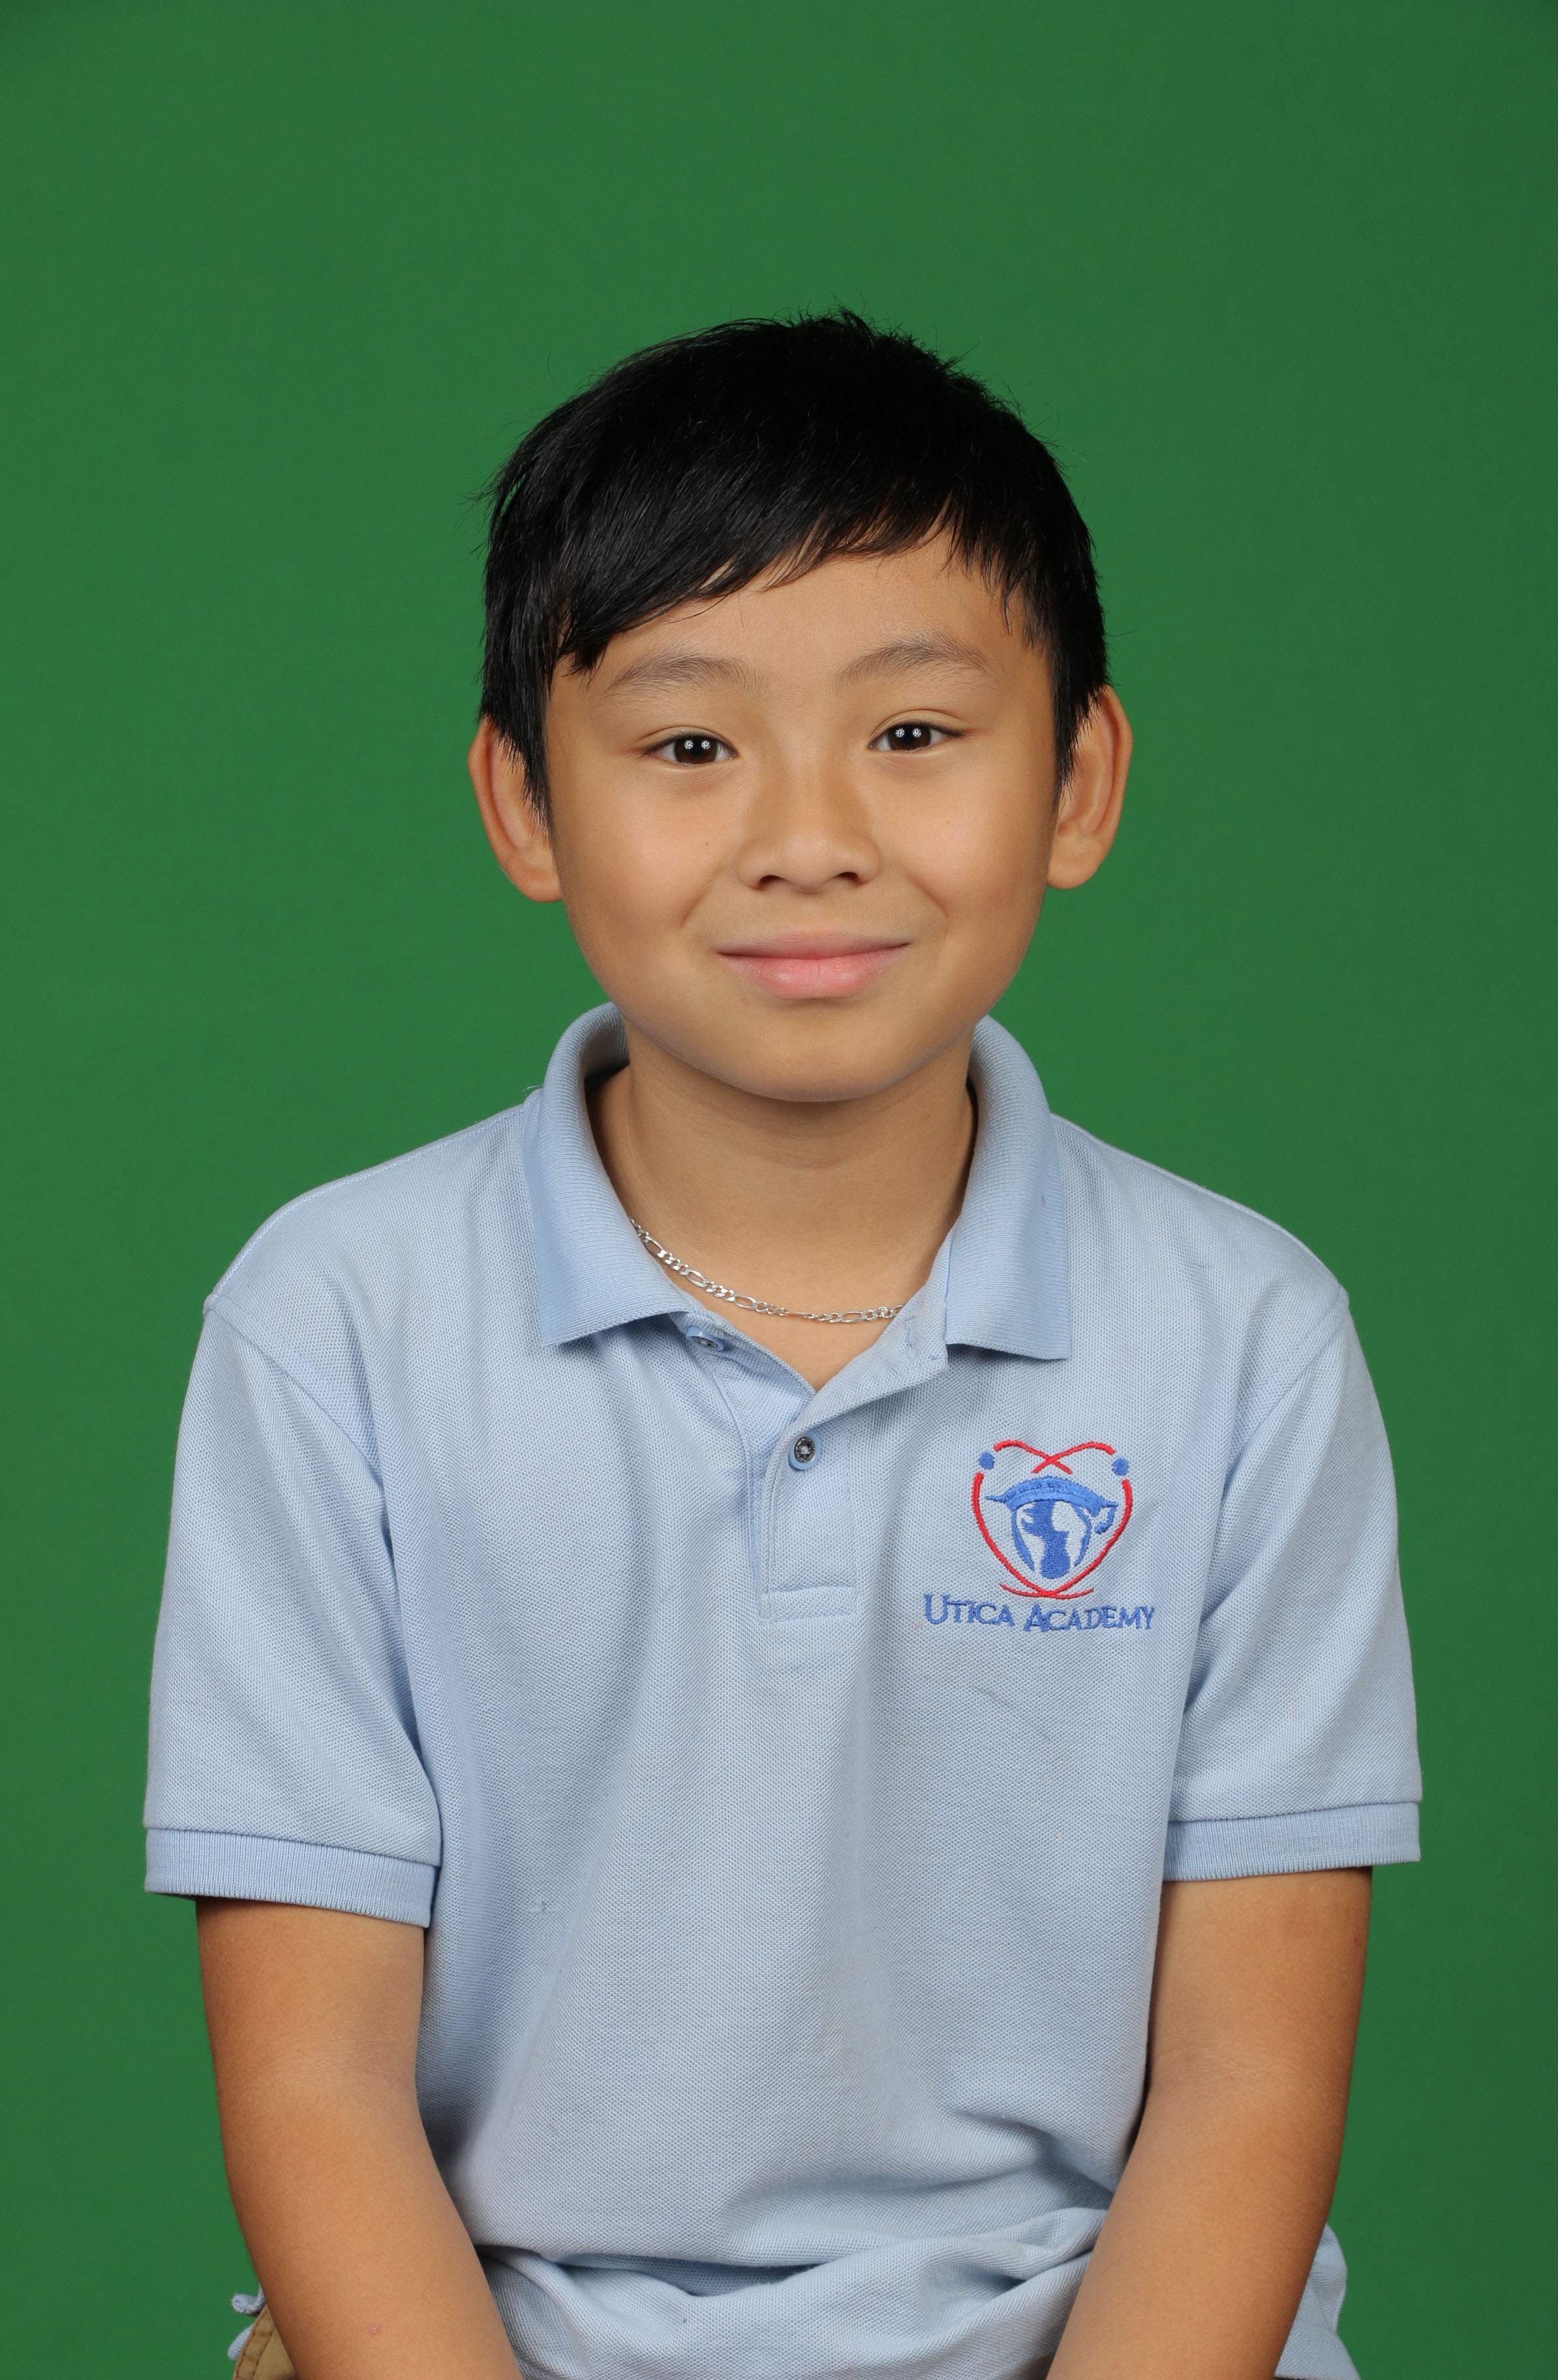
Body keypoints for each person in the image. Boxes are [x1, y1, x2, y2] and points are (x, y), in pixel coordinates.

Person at [145, 313, 1420, 2380]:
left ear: (1080, 780)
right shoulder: (337, 1320)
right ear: (525, 805)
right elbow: (317, 2085)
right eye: (688, 746)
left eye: (913, 733)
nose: (807, 834)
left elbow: (1247, 2085)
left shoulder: (1245, 1338)